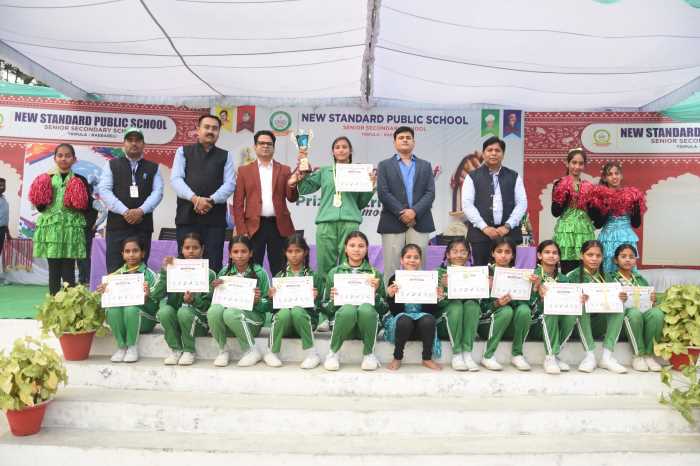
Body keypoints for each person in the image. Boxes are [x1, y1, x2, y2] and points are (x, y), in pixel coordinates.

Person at [291, 136, 376, 280]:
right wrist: (302, 173)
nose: (341, 150)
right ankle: (325, 293)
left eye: (344, 147)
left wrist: (371, 187)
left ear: (350, 151)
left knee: (349, 263)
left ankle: (346, 292)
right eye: (337, 147)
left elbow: (360, 203)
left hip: (350, 222)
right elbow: (304, 189)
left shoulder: (359, 172)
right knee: (325, 263)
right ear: (333, 152)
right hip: (326, 223)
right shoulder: (324, 171)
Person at [171, 115, 236, 273]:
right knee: (186, 265)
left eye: (215, 128)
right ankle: (185, 291)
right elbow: (176, 179)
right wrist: (195, 199)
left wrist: (211, 201)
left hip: (214, 220)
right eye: (206, 127)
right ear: (198, 130)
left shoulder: (225, 156)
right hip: (187, 217)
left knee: (213, 263)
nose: (210, 131)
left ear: (219, 132)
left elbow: (230, 184)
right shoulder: (183, 151)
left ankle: (210, 290)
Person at [233, 130, 298, 277]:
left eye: (269, 144)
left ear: (274, 147)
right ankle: (254, 293)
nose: (265, 146)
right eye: (261, 143)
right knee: (252, 269)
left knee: (280, 267)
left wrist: (293, 185)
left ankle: (278, 293)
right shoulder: (244, 171)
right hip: (253, 227)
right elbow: (238, 203)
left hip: (279, 226)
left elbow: (292, 198)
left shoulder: (285, 170)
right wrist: (241, 229)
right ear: (255, 147)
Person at [99, 127, 163, 273]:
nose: (134, 143)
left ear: (143, 144)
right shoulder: (111, 165)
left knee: (139, 271)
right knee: (115, 269)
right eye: (130, 140)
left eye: (138, 140)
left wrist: (141, 211)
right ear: (124, 144)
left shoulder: (153, 167)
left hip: (142, 226)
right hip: (117, 227)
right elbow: (104, 190)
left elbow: (158, 193)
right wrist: (125, 211)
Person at [29, 144, 89, 295]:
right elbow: (40, 207)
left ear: (74, 159)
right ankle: (54, 301)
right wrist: (42, 195)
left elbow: (85, 207)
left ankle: (70, 303)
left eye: (68, 156)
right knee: (54, 268)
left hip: (71, 229)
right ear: (54, 158)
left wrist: (75, 200)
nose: (64, 159)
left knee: (69, 268)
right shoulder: (46, 178)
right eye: (60, 155)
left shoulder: (79, 180)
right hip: (52, 230)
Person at [377, 126, 436, 281]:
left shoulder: (425, 165)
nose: (405, 140)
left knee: (418, 266)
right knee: (391, 267)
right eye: (401, 138)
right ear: (395, 142)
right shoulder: (384, 165)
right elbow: (383, 193)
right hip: (392, 221)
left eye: (408, 138)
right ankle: (390, 297)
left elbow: (430, 193)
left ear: (413, 142)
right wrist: (402, 212)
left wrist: (414, 212)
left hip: (420, 221)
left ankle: (418, 297)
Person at [322, 231, 386, 371]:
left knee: (366, 309)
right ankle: (333, 353)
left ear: (367, 249)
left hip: (367, 328)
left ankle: (369, 354)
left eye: (361, 246)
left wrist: (375, 294)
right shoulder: (335, 273)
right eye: (352, 245)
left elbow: (384, 309)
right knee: (348, 309)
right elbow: (325, 308)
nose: (356, 249)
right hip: (344, 327)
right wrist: (333, 300)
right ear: (345, 248)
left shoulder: (374, 273)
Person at [462, 136, 527, 266]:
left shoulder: (513, 176)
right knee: (481, 271)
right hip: (481, 234)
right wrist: (484, 227)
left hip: (508, 233)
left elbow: (522, 203)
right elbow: (467, 205)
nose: (493, 153)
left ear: (503, 154)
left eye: (497, 150)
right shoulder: (472, 176)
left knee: (507, 272)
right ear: (483, 153)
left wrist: (508, 226)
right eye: (489, 150)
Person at [153, 232, 216, 366]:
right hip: (177, 321)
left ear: (202, 249)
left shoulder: (209, 274)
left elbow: (207, 307)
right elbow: (156, 295)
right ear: (182, 249)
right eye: (187, 248)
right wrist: (164, 272)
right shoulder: (172, 270)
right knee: (164, 311)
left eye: (195, 248)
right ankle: (176, 350)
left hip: (198, 323)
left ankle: (189, 351)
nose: (191, 251)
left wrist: (193, 300)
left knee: (184, 311)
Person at [207, 235, 271, 367]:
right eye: (235, 252)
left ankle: (252, 350)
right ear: (230, 254)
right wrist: (213, 289)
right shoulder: (225, 272)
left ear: (251, 253)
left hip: (252, 322)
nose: (240, 255)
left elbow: (269, 304)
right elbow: (216, 300)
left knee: (230, 313)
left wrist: (258, 301)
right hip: (230, 322)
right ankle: (223, 350)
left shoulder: (260, 272)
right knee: (214, 310)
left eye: (244, 251)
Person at [264, 233, 324, 369]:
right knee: (284, 312)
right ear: (285, 253)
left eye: (298, 251)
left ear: (305, 252)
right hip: (284, 325)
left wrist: (316, 298)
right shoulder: (280, 276)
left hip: (305, 323)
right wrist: (271, 297)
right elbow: (271, 308)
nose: (294, 255)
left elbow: (322, 306)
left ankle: (312, 354)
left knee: (297, 310)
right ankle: (271, 352)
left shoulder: (313, 277)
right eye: (290, 251)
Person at [566, 240, 626, 374]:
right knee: (581, 306)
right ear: (581, 255)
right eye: (590, 255)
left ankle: (607, 357)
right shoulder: (572, 276)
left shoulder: (607, 277)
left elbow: (614, 299)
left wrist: (621, 297)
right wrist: (577, 299)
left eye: (598, 255)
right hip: (578, 325)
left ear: (602, 257)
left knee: (620, 306)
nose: (594, 258)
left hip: (599, 323)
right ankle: (590, 356)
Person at [97, 236, 159, 363]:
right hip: (125, 318)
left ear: (143, 253)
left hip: (146, 320)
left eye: (135, 251)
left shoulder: (150, 275)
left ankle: (132, 347)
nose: (131, 254)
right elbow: (108, 299)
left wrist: (148, 296)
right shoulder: (115, 276)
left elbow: (156, 306)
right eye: (127, 251)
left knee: (131, 309)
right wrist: (104, 291)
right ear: (122, 254)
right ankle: (121, 347)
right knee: (112, 310)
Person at [478, 239, 535, 371]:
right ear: (492, 253)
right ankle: (488, 356)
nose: (503, 255)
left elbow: (529, 304)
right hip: (487, 325)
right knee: (506, 310)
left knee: (524, 310)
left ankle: (517, 354)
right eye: (499, 251)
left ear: (513, 255)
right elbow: (478, 309)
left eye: (507, 252)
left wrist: (533, 287)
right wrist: (496, 303)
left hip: (511, 326)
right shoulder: (484, 273)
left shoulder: (520, 275)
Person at [384, 244, 442, 371]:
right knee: (404, 320)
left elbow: (432, 311)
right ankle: (397, 357)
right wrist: (390, 296)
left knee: (428, 320)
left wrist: (435, 297)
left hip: (422, 325)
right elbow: (394, 311)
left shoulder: (428, 279)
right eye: (408, 257)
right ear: (401, 260)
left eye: (416, 257)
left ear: (420, 260)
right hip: (402, 324)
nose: (412, 260)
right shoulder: (395, 279)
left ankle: (427, 358)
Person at [607, 244, 663, 372]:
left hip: (640, 318)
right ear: (615, 260)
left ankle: (649, 355)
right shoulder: (610, 278)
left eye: (631, 257)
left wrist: (653, 300)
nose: (628, 259)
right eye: (623, 256)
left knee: (657, 313)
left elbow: (650, 304)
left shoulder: (640, 279)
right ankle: (638, 355)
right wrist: (617, 297)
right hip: (620, 321)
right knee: (634, 313)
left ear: (635, 260)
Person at [530, 240, 578, 375]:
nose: (551, 255)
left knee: (572, 315)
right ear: (539, 255)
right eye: (547, 252)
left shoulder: (564, 279)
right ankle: (550, 358)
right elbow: (526, 305)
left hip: (556, 322)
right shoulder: (532, 275)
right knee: (549, 312)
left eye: (555, 253)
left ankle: (554, 354)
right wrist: (536, 290)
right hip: (535, 322)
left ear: (559, 257)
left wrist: (579, 300)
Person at [592, 162, 646, 274]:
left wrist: (635, 204)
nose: (614, 177)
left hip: (626, 237)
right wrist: (607, 203)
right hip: (608, 238)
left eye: (616, 173)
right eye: (610, 174)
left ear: (621, 175)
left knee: (627, 271)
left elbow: (636, 224)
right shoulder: (599, 196)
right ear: (605, 178)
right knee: (607, 270)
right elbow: (598, 224)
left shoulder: (631, 195)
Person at [436, 238, 481, 371]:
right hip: (444, 321)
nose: (459, 255)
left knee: (472, 305)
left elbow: (479, 301)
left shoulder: (474, 274)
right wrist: (443, 287)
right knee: (456, 305)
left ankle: (467, 353)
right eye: (455, 251)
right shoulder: (439, 273)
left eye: (463, 252)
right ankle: (457, 354)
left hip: (465, 321)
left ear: (468, 255)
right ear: (448, 254)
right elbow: (436, 305)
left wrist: (484, 287)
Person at [551, 148, 596, 275]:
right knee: (568, 268)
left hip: (584, 230)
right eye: (574, 163)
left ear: (584, 165)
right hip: (567, 231)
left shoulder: (588, 186)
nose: (577, 167)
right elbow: (555, 212)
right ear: (567, 163)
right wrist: (565, 193)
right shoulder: (559, 183)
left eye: (580, 163)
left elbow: (593, 213)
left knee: (585, 269)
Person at [77, 176, 99, 285]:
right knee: (79, 256)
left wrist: (96, 224)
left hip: (88, 231)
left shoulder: (93, 202)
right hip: (79, 231)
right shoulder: (81, 202)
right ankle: (82, 279)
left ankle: (88, 279)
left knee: (85, 256)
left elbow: (104, 212)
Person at [0, 178, 8, 284]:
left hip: (2, 229)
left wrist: (8, 233)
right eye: (0, 185)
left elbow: (4, 217)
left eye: (3, 185)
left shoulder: (4, 199)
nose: (2, 187)